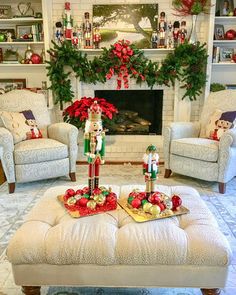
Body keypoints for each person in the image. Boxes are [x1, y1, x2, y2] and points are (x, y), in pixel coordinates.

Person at [84, 101, 105, 195]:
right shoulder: (87, 136)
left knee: (97, 172)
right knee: (90, 173)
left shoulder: (101, 136)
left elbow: (103, 147)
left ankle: (96, 189)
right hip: (91, 157)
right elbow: (85, 150)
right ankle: (90, 190)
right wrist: (89, 154)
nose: (98, 131)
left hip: (98, 156)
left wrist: (103, 156)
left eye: (99, 129)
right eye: (95, 129)